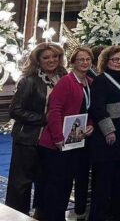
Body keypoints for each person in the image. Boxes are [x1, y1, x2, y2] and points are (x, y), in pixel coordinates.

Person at [6, 43, 67, 215]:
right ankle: (16, 216)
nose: (51, 60)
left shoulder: (64, 77)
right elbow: (15, 111)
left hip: (52, 140)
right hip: (28, 139)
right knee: (21, 184)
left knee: (46, 182)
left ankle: (41, 214)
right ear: (38, 61)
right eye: (46, 57)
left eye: (55, 56)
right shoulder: (29, 81)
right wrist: (44, 119)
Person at [37, 47, 94, 221]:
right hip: (57, 143)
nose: (84, 63)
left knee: (67, 184)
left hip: (76, 140)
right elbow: (54, 111)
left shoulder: (90, 82)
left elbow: (89, 109)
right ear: (73, 62)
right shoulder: (66, 82)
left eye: (87, 60)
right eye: (80, 60)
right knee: (57, 186)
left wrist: (90, 125)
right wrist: (58, 138)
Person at [88, 46, 120, 221]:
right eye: (114, 59)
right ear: (105, 62)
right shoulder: (101, 80)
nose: (118, 62)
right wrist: (108, 131)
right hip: (106, 137)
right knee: (103, 182)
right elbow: (97, 109)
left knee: (119, 180)